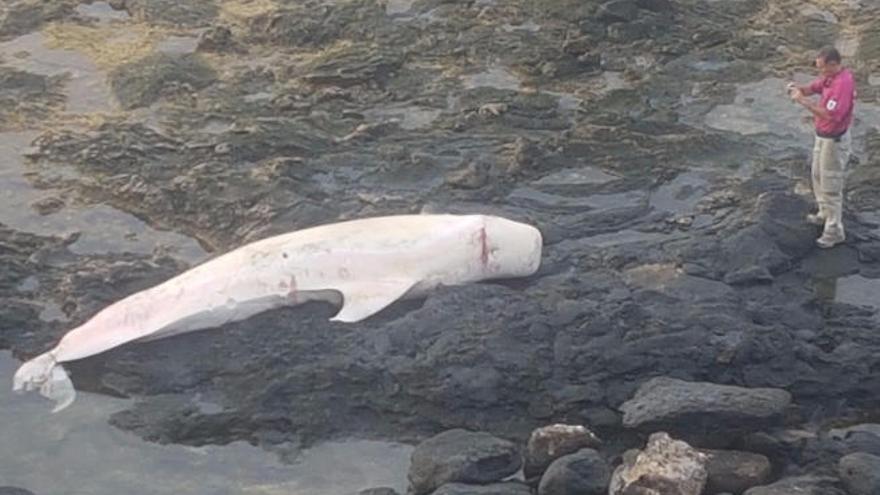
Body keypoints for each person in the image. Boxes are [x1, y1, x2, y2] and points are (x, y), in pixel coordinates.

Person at [787, 46, 856, 248]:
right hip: (822, 136)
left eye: (823, 68)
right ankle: (824, 213)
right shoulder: (830, 77)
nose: (821, 72)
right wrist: (798, 88)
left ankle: (834, 231)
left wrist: (803, 101)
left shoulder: (843, 84)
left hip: (835, 140)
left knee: (831, 184)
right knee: (817, 175)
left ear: (834, 64)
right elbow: (815, 87)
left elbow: (831, 115)